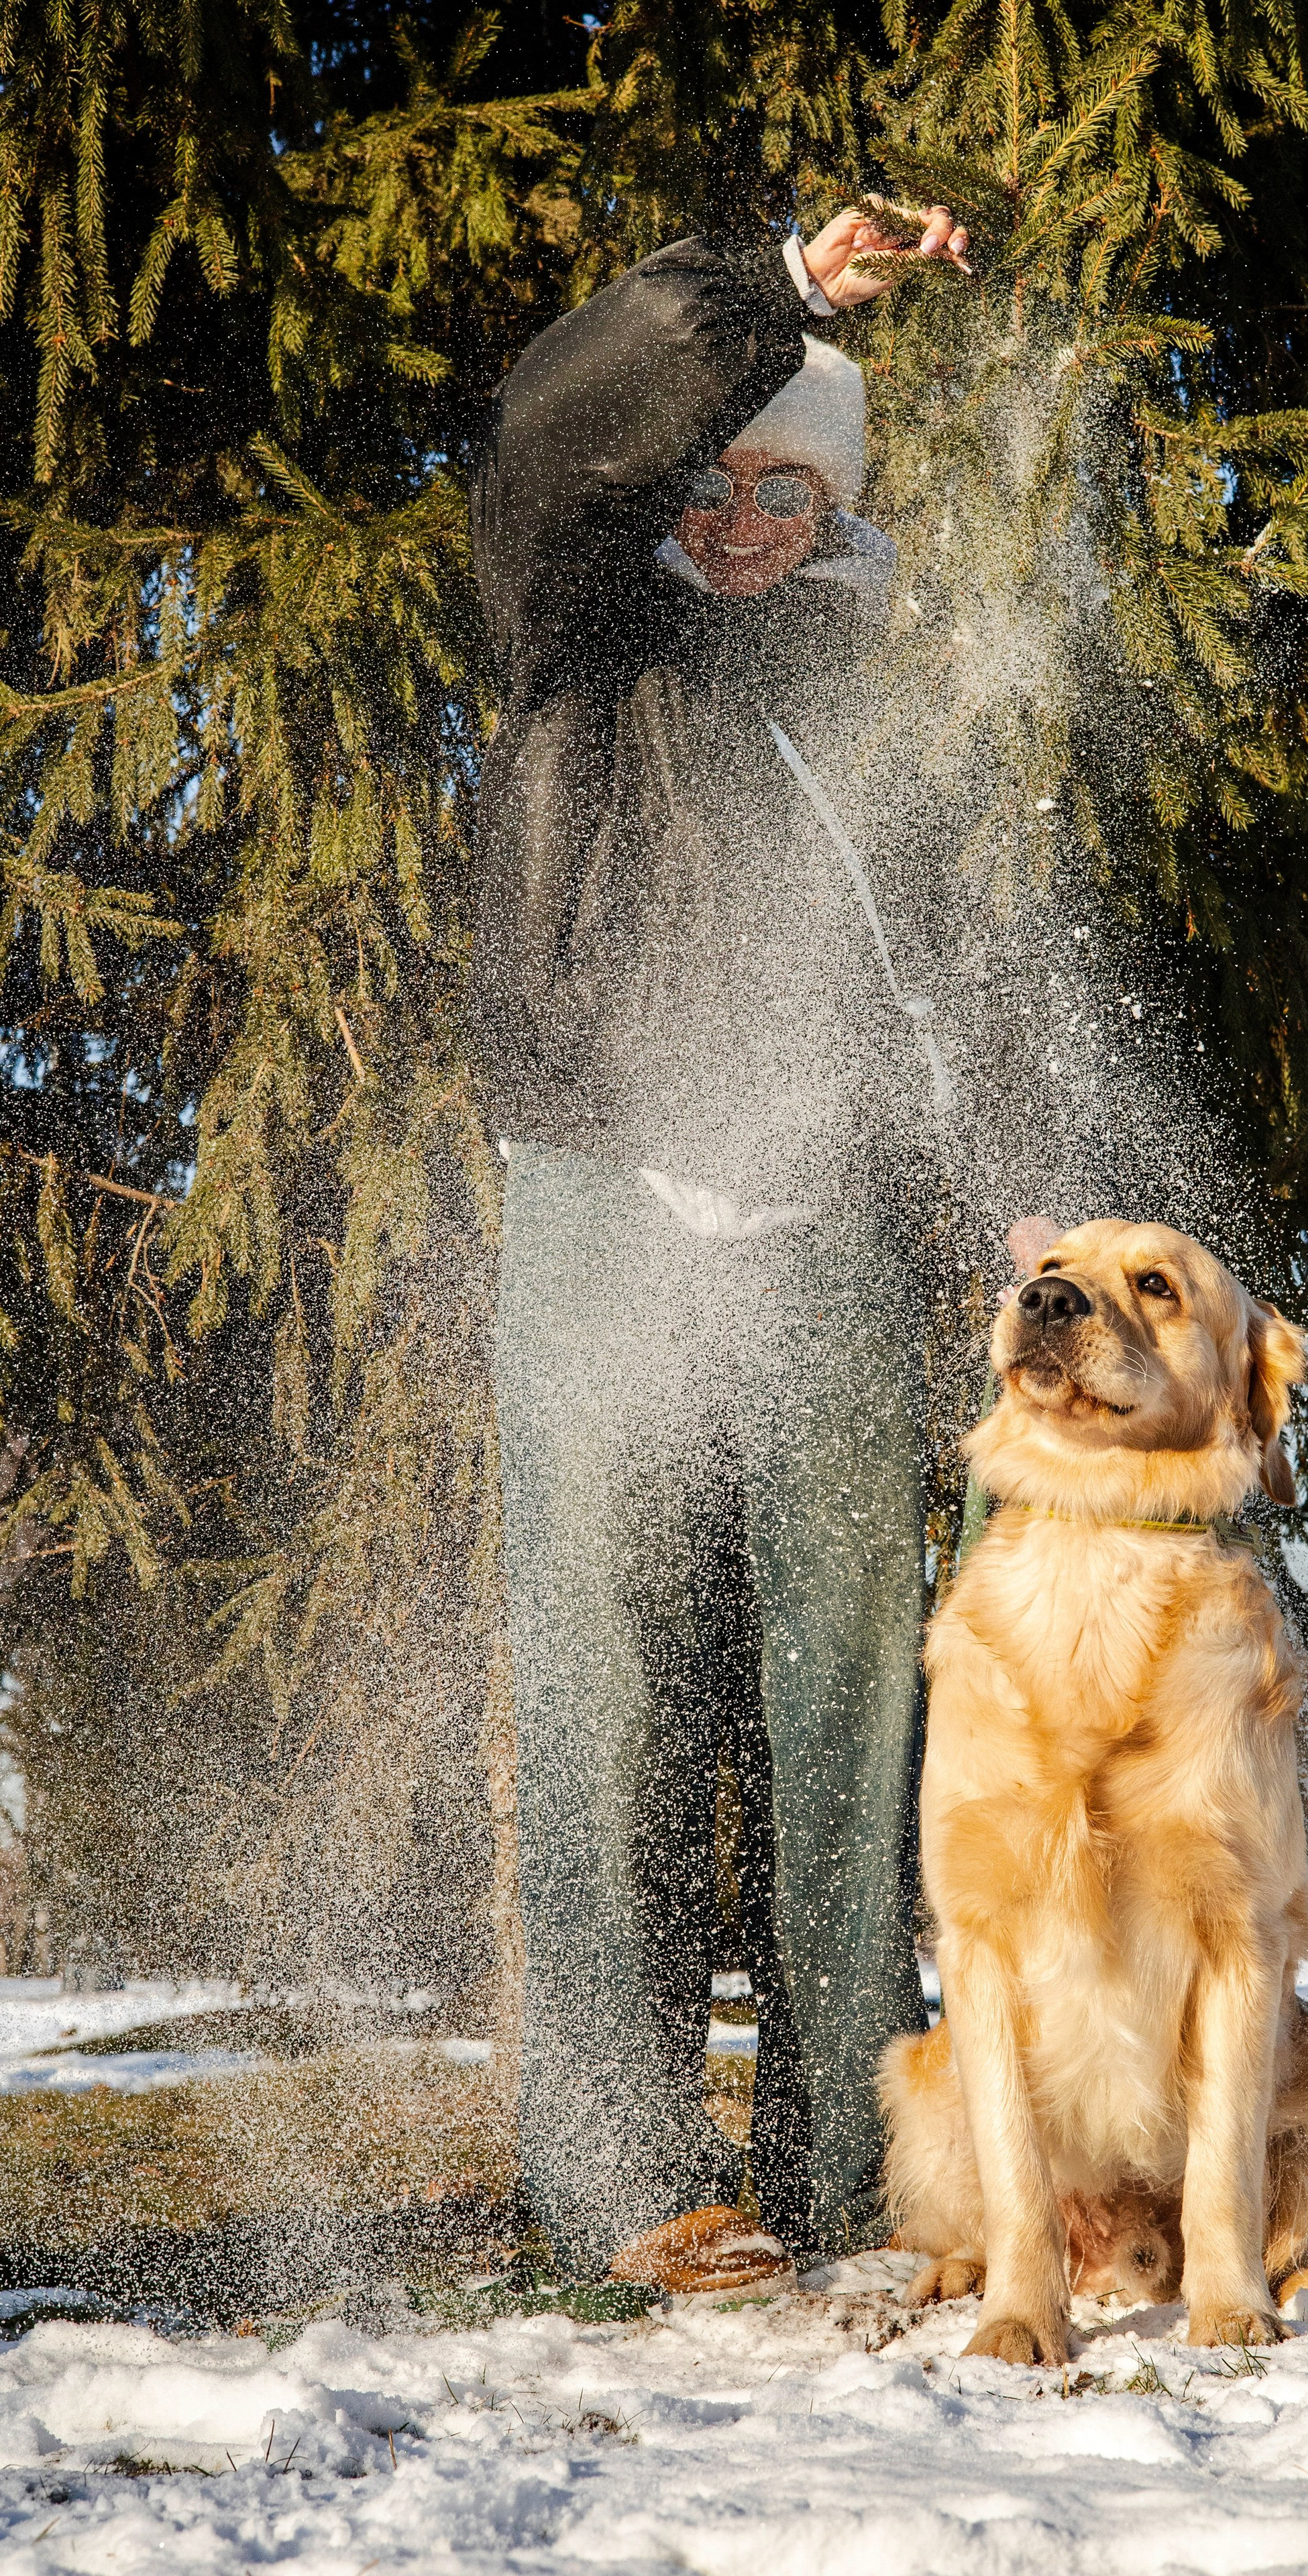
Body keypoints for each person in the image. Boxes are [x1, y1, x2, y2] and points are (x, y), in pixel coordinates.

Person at [468, 203, 1052, 2283]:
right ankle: (627, 2184)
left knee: (853, 1700)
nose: (737, 520)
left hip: (830, 1238)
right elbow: (561, 428)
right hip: (608, 1201)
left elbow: (947, 984)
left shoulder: (868, 705)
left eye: (786, 488)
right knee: (615, 1686)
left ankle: (853, 2165)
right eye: (709, 478)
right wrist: (780, 307)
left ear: (838, 511)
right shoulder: (572, 618)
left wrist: (1016, 1186)